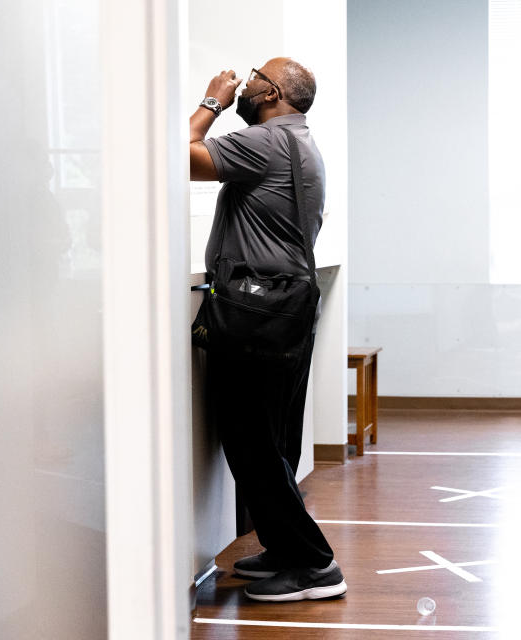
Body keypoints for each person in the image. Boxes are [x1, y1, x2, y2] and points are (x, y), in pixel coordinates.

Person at [189, 57, 346, 602]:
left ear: (273, 92)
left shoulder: (267, 140)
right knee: (273, 440)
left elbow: (177, 158)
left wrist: (211, 101)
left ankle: (313, 564)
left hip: (256, 315)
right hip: (286, 310)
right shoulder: (299, 141)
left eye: (255, 76)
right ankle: (283, 549)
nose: (245, 82)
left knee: (251, 442)